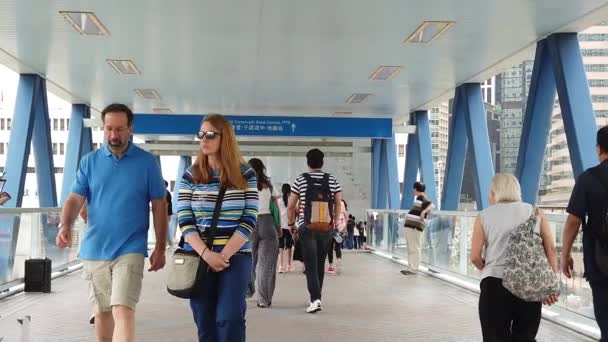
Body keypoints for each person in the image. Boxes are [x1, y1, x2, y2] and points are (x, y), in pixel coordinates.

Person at [56, 103, 168, 342]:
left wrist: (160, 247)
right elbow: (75, 198)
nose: (113, 135)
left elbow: (159, 205)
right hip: (95, 249)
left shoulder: (147, 162)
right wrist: (65, 225)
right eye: (108, 129)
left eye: (119, 129)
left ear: (130, 129)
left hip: (130, 248)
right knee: (102, 312)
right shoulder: (89, 162)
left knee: (123, 309)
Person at [177, 114, 258, 342]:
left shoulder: (246, 175)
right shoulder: (190, 176)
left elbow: (249, 219)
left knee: (229, 317)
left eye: (211, 134)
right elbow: (185, 220)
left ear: (226, 138)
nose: (204, 139)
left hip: (235, 256)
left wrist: (222, 256)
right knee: (204, 320)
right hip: (198, 257)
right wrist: (206, 254)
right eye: (201, 134)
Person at [471, 173, 559, 342]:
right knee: (525, 337)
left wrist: (488, 267)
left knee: (494, 337)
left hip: (494, 285)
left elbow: (475, 256)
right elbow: (551, 250)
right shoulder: (535, 212)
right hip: (528, 283)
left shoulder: (483, 216)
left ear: (495, 192)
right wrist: (550, 282)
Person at [562, 126, 608, 341]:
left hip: (601, 264)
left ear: (599, 148)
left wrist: (565, 254)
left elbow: (573, 221)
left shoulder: (587, 179)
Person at [287, 148, 342, 313]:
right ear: (322, 162)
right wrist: (334, 223)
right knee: (319, 264)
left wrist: (291, 224)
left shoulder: (300, 180)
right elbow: (338, 203)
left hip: (306, 227)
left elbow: (291, 206)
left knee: (310, 265)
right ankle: (317, 298)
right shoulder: (332, 180)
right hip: (326, 228)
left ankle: (315, 299)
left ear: (308, 162)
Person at [248, 158, 281, 308]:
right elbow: (276, 208)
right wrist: (279, 227)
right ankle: (264, 299)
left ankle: (247, 291)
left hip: (248, 224)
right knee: (266, 264)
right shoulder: (269, 186)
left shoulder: (243, 185)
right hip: (268, 223)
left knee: (247, 261)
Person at [400, 182, 433, 275]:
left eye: (413, 189)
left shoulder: (422, 197)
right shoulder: (418, 199)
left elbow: (431, 205)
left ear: (416, 189)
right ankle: (410, 267)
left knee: (414, 248)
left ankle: (413, 269)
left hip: (415, 227)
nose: (412, 190)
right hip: (412, 227)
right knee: (411, 248)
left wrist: (424, 212)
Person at [327, 199, 347, 275]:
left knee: (329, 248)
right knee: (338, 247)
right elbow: (345, 215)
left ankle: (331, 266)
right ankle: (338, 260)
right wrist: (345, 227)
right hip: (340, 227)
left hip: (330, 227)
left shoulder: (328, 202)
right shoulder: (341, 202)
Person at [278, 184, 295, 273]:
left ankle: (281, 266)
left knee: (280, 245)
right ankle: (289, 265)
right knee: (289, 245)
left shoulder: (279, 200)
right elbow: (293, 213)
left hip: (281, 226)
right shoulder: (291, 201)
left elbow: (278, 214)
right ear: (289, 191)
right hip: (289, 225)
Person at [165, 180, 176, 246]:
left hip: (167, 213)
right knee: (167, 227)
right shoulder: (167, 192)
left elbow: (166, 204)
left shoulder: (166, 193)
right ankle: (169, 242)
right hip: (168, 213)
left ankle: (169, 242)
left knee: (166, 228)